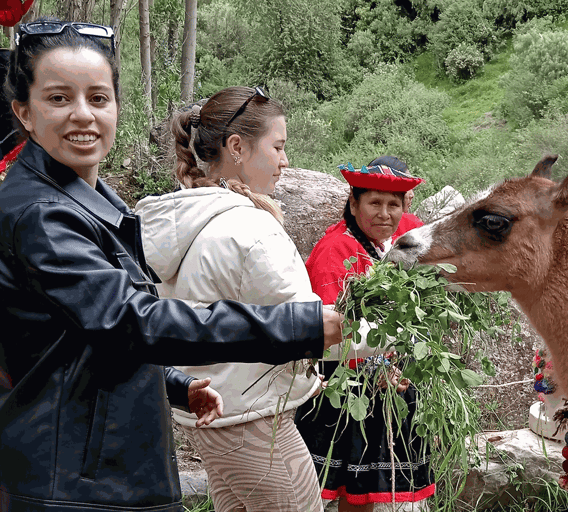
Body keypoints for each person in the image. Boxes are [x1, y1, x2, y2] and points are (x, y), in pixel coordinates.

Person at [0, 19, 343, 512]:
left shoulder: (91, 201)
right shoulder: (42, 214)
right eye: (58, 98)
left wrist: (174, 384)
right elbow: (132, 318)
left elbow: (81, 335)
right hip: (76, 485)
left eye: (98, 99)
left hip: (94, 466)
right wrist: (305, 324)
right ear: (24, 113)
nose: (83, 115)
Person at [134, 87, 388, 512]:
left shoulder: (177, 221)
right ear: (237, 147)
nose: (285, 161)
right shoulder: (252, 230)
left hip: (208, 413)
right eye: (278, 146)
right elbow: (312, 327)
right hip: (254, 424)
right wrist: (395, 334)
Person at [294, 162, 434, 511]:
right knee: (352, 492)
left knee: (369, 490)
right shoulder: (336, 251)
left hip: (391, 380)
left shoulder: (398, 239)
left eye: (394, 205)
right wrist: (377, 367)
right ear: (354, 204)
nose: (385, 214)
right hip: (347, 386)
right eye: (374, 204)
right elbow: (331, 335)